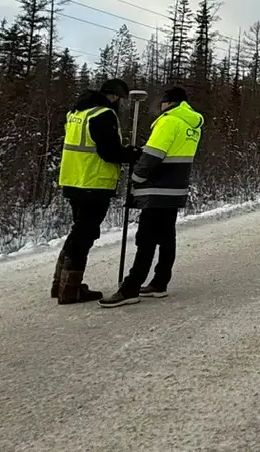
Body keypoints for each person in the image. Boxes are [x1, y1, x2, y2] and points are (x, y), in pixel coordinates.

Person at [101, 84, 204, 307]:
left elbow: (153, 155)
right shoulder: (192, 124)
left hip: (157, 188)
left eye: (163, 102)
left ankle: (130, 288)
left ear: (169, 103)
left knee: (146, 238)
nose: (161, 106)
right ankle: (160, 282)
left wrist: (136, 177)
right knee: (166, 236)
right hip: (175, 187)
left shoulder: (169, 121)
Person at [53, 77, 138, 304]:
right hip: (94, 182)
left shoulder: (77, 112)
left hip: (73, 179)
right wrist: (132, 154)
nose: (121, 104)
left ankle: (60, 283)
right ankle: (69, 288)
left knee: (78, 231)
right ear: (115, 96)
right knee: (85, 234)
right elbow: (109, 152)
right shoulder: (103, 114)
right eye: (121, 100)